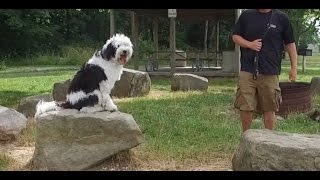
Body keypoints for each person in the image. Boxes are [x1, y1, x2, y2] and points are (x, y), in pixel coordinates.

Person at [232, 9, 298, 132]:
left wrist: (294, 67)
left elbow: (290, 43)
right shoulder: (246, 15)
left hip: (270, 71)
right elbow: (235, 36)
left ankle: (269, 139)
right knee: (246, 106)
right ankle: (246, 138)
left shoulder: (281, 18)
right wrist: (249, 44)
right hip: (248, 69)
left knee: (269, 107)